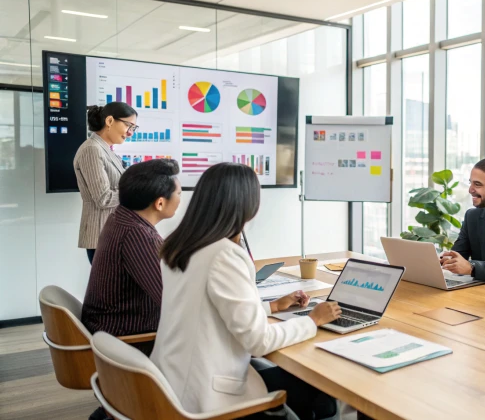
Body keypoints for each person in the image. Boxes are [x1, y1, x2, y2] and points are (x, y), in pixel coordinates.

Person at [152, 163, 341, 419]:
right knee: (320, 391)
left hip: (172, 380)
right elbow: (258, 341)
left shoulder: (179, 246)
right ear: (246, 204)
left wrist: (271, 306)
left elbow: (206, 310)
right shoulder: (224, 255)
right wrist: (313, 320)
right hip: (207, 394)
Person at [81, 158, 181, 354]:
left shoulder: (121, 218)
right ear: (160, 203)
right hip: (126, 341)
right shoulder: (138, 236)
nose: (180, 198)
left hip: (107, 330)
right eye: (178, 193)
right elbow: (172, 301)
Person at [74, 102, 138, 264]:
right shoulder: (92, 149)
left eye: (133, 128)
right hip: (101, 237)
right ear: (109, 121)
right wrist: (137, 192)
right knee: (111, 288)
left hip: (112, 235)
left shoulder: (105, 150)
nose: (130, 133)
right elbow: (103, 198)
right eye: (128, 126)